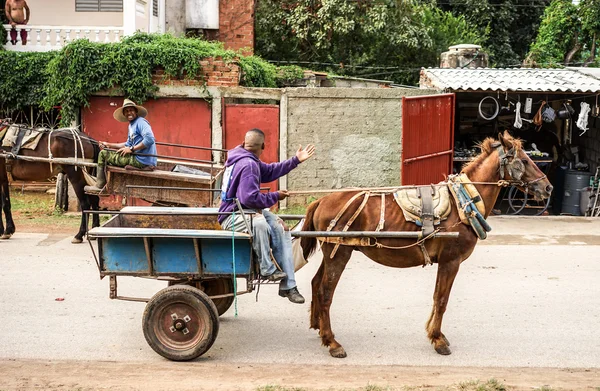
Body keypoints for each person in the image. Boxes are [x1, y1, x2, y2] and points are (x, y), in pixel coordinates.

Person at [218, 128, 315, 304]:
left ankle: (288, 286)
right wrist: (275, 196)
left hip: (246, 210)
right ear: (263, 145)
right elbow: (249, 198)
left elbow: (269, 171)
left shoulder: (246, 158)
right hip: (232, 214)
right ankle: (266, 268)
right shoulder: (247, 165)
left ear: (245, 143)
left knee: (281, 228)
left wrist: (295, 160)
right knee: (260, 223)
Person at [85, 99, 157, 193]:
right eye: (126, 111)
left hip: (141, 160)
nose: (129, 113)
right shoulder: (132, 125)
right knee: (108, 151)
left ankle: (99, 186)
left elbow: (150, 139)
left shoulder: (141, 122)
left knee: (103, 154)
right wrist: (109, 144)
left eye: (131, 110)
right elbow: (127, 144)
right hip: (142, 159)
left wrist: (131, 149)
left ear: (136, 111)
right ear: (124, 114)